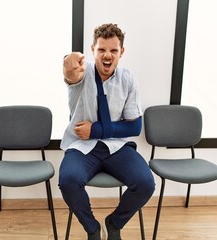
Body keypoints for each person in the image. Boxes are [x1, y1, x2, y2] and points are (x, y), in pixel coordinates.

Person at [58, 23, 155, 240]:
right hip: (81, 147)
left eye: (113, 50)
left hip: (116, 146)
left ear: (122, 52)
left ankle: (114, 223)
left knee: (145, 183)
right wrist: (68, 63)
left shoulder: (128, 79)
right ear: (93, 50)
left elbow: (134, 126)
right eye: (101, 50)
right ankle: (92, 229)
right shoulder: (83, 74)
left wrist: (97, 130)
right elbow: (71, 74)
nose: (107, 55)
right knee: (68, 181)